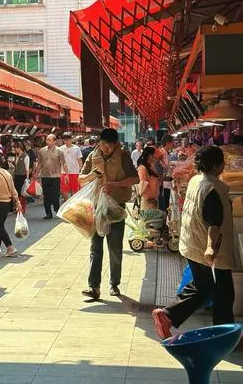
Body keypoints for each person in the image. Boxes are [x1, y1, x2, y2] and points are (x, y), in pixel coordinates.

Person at [152, 146, 236, 339]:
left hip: (191, 244)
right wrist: (210, 247)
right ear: (215, 166)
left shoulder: (195, 180)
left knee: (202, 286)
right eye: (222, 162)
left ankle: (167, 315)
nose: (224, 165)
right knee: (223, 294)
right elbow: (214, 222)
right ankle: (223, 335)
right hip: (210, 250)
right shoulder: (214, 188)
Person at [79, 128, 139, 299]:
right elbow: (81, 178)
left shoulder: (124, 156)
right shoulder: (93, 155)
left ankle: (114, 283)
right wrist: (92, 175)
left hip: (115, 208)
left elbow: (135, 179)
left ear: (116, 144)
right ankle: (94, 287)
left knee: (115, 248)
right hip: (97, 206)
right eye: (103, 144)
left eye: (109, 145)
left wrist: (115, 184)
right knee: (95, 248)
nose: (105, 148)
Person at [0, 153, 22, 257]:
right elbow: (13, 189)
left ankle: (10, 247)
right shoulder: (6, 173)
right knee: (0, 224)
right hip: (7, 203)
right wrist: (17, 201)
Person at [33, 134, 68, 220]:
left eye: (49, 140)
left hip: (56, 176)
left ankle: (56, 209)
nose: (47, 141)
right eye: (47, 140)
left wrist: (66, 174)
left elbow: (64, 163)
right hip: (45, 176)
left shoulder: (59, 151)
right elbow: (39, 163)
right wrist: (36, 173)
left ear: (54, 141)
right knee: (46, 195)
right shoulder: (42, 151)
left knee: (56, 195)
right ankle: (48, 213)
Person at [60, 132, 83, 200]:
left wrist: (81, 171)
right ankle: (66, 203)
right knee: (64, 190)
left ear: (71, 139)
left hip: (75, 172)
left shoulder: (77, 148)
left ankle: (74, 204)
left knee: (75, 191)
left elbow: (79, 160)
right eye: (64, 140)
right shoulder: (61, 149)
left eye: (68, 139)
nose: (66, 141)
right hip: (64, 172)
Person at [157, 134, 174, 212]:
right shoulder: (161, 153)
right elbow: (162, 169)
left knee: (166, 202)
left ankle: (165, 214)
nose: (173, 144)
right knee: (164, 203)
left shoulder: (165, 153)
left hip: (166, 181)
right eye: (172, 142)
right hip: (164, 182)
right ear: (167, 143)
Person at [13, 141, 30, 213]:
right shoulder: (17, 156)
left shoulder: (26, 156)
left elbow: (27, 168)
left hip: (22, 176)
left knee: (22, 193)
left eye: (15, 148)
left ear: (19, 148)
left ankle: (23, 208)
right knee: (17, 193)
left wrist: (27, 178)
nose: (14, 150)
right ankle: (18, 208)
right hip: (16, 176)